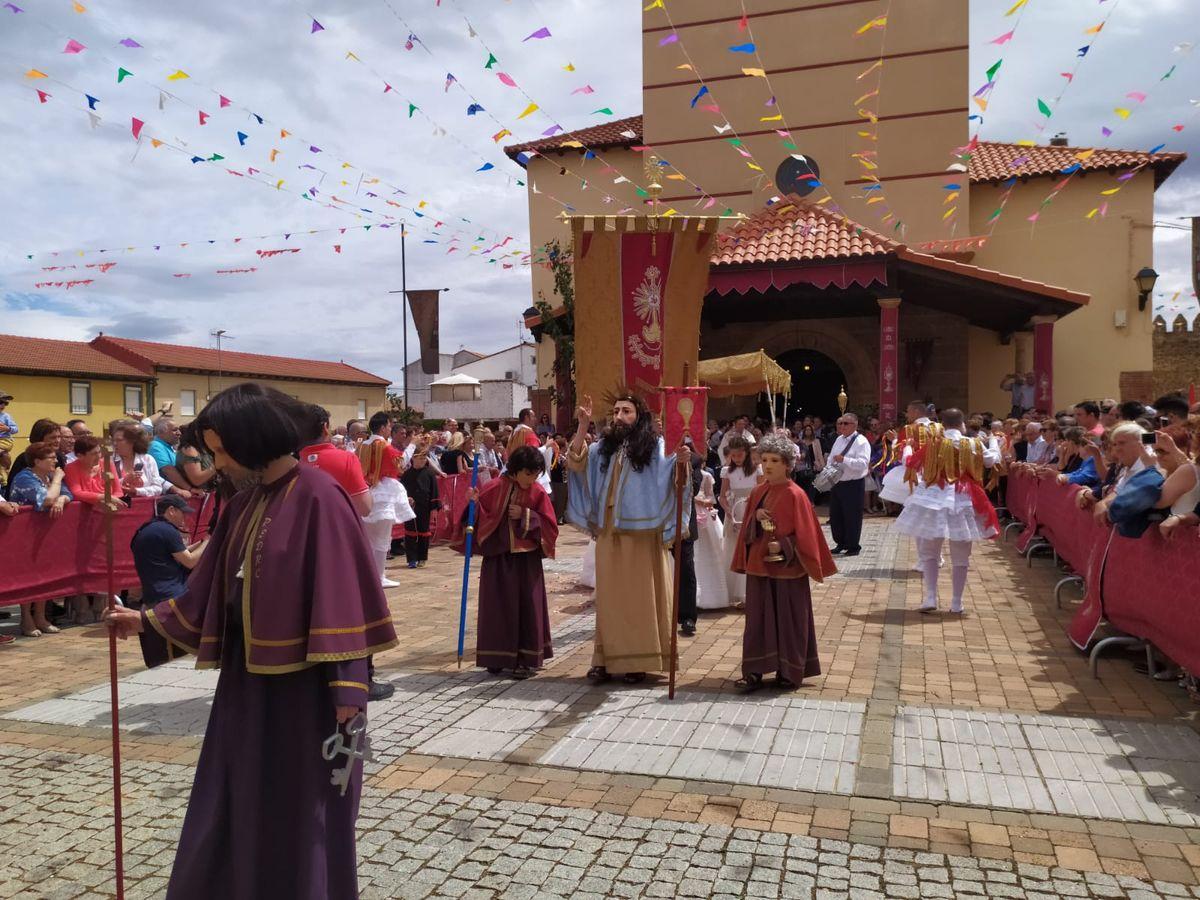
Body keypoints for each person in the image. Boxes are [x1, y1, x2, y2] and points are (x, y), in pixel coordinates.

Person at [102, 382, 397, 900]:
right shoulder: (243, 505)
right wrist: (144, 621)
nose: (216, 463)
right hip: (245, 687)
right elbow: (207, 592)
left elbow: (342, 601)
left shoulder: (320, 497)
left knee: (298, 814)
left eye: (220, 450)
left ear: (251, 439)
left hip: (306, 695)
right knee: (234, 801)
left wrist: (350, 692)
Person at [567, 390, 685, 685]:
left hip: (641, 533)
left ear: (639, 416)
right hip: (608, 533)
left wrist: (682, 461)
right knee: (608, 600)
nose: (619, 416)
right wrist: (582, 427)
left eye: (626, 411)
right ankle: (604, 660)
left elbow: (674, 477)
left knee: (640, 599)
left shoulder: (656, 446)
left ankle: (639, 660)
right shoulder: (603, 448)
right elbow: (576, 462)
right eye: (617, 411)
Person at [731, 434, 837, 692]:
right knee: (758, 619)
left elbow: (808, 535)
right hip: (760, 564)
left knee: (789, 619)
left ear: (788, 464)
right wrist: (754, 516)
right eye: (764, 459)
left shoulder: (796, 494)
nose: (767, 465)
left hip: (788, 567)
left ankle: (789, 671)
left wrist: (785, 545)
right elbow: (746, 530)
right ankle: (754, 671)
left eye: (775, 460)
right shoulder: (758, 491)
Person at [461, 445, 558, 679]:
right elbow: (474, 521)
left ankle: (526, 659)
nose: (532, 479)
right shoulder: (493, 488)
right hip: (498, 559)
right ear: (515, 470)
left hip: (526, 562)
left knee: (527, 607)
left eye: (536, 474)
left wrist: (526, 516)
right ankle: (496, 656)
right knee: (497, 608)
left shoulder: (537, 493)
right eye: (528, 473)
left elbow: (550, 526)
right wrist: (472, 504)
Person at [894, 408, 1000, 614]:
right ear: (962, 425)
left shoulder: (934, 443)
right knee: (961, 555)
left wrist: (907, 447)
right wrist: (994, 440)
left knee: (930, 552)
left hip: (933, 498)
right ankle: (956, 602)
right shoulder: (973, 443)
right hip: (963, 500)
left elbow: (909, 463)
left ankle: (931, 596)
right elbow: (992, 460)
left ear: (943, 424)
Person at [8, 442, 72, 637]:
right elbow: (46, 500)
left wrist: (62, 498)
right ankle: (26, 617)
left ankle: (41, 617)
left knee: (44, 574)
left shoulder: (50, 476)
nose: (55, 461)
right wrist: (58, 481)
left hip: (45, 534)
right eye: (50, 458)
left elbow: (67, 493)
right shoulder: (25, 477)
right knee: (27, 575)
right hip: (23, 534)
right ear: (37, 461)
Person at [358, 412, 415, 589]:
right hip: (383, 492)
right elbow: (401, 465)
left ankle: (366, 576)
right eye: (389, 426)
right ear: (383, 427)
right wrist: (412, 446)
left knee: (367, 538)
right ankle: (379, 576)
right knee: (382, 538)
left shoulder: (361, 446)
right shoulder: (383, 446)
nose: (390, 429)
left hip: (365, 492)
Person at [131, 494, 208, 609]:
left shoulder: (148, 529)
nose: (185, 517)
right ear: (171, 510)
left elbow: (180, 552)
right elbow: (190, 561)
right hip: (170, 598)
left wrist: (202, 542)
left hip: (152, 598)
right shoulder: (167, 530)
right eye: (183, 513)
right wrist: (208, 541)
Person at [720, 436, 761, 608]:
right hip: (735, 511)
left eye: (739, 455)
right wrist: (728, 511)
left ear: (746, 453)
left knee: (752, 548)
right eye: (733, 456)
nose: (736, 459)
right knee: (733, 549)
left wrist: (754, 510)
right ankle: (734, 593)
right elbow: (722, 496)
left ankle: (750, 594)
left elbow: (761, 492)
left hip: (752, 509)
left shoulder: (757, 470)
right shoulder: (727, 471)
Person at [827, 413, 872, 556]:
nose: (842, 426)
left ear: (855, 425)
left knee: (852, 516)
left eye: (846, 423)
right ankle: (840, 542)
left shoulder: (862, 442)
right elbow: (831, 457)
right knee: (836, 515)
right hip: (837, 482)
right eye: (841, 423)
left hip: (853, 483)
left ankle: (853, 546)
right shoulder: (839, 439)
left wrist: (844, 460)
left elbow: (863, 463)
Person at [694, 466, 729, 610]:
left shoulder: (706, 476)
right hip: (688, 514)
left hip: (703, 514)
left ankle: (710, 596)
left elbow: (711, 498)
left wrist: (701, 502)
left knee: (707, 551)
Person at [399, 441, 439, 568]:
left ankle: (422, 557)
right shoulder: (406, 474)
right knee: (410, 532)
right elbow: (402, 491)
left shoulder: (429, 473)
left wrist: (434, 509)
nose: (422, 461)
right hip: (410, 507)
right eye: (420, 458)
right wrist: (406, 499)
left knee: (424, 532)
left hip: (425, 507)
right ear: (413, 458)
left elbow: (434, 492)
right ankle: (411, 559)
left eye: (424, 458)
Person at [63, 435, 123, 512]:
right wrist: (103, 497)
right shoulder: (71, 468)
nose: (99, 456)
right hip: (84, 514)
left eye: (99, 452)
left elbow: (118, 491)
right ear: (80, 456)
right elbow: (76, 493)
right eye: (94, 454)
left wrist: (111, 501)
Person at [113, 424, 169, 498]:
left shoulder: (147, 459)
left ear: (132, 441)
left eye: (119, 440)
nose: (114, 443)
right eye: (113, 440)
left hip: (143, 507)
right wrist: (124, 480)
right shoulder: (109, 461)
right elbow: (104, 487)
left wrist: (137, 491)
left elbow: (158, 488)